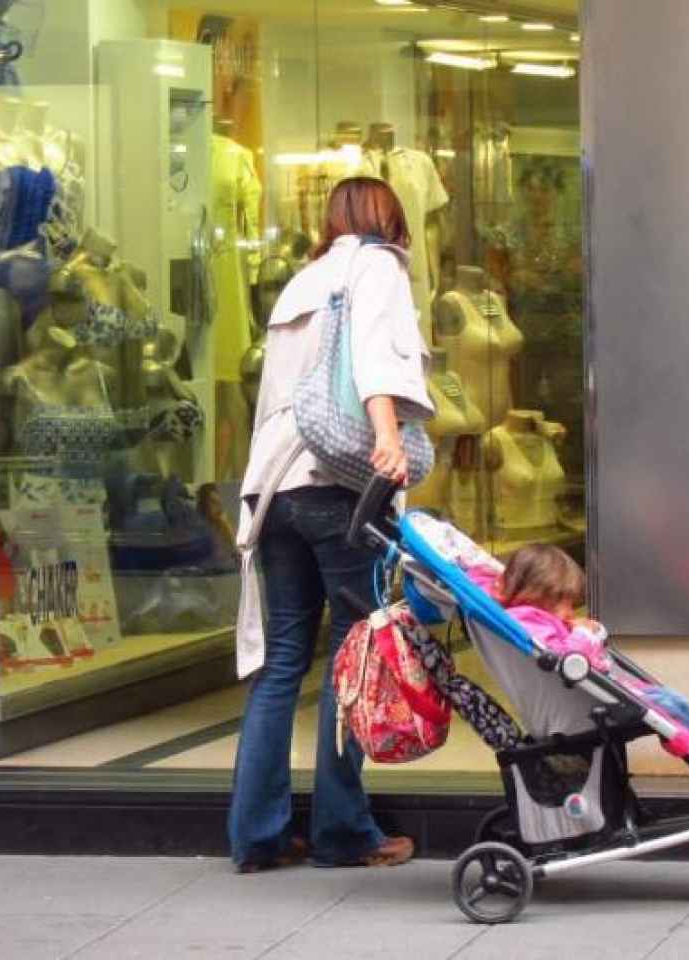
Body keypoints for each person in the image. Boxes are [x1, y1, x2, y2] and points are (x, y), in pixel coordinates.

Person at [229, 177, 435, 873]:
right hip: (333, 486)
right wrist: (388, 436)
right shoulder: (374, 267)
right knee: (353, 657)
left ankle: (257, 836)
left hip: (275, 490)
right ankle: (343, 832)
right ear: (388, 218)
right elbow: (374, 356)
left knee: (281, 662)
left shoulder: (304, 279)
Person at [483, 544, 689, 768]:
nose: (569, 611)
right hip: (585, 702)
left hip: (595, 692)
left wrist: (583, 631)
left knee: (667, 700)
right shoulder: (527, 620)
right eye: (564, 602)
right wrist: (584, 635)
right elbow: (561, 658)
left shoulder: (535, 618)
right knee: (666, 702)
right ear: (537, 595)